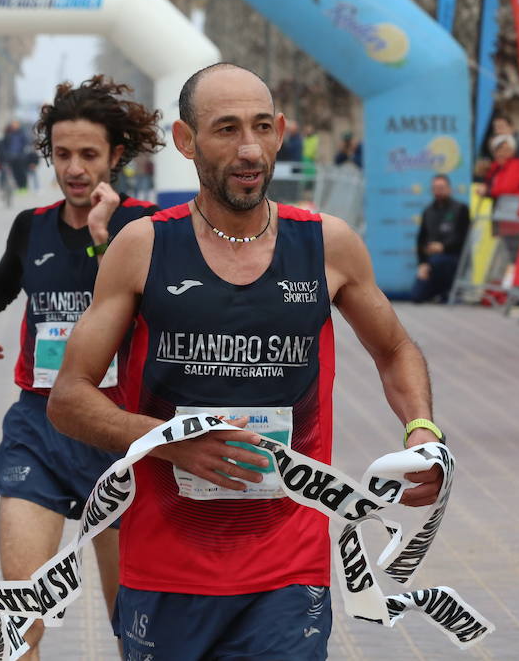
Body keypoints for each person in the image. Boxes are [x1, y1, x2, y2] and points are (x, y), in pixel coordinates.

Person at [49, 63, 444, 661]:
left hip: (288, 571)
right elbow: (69, 397)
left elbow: (394, 351)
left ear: (282, 132)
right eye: (227, 129)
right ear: (187, 142)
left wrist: (422, 431)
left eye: (262, 127)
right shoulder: (144, 248)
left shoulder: (325, 244)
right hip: (165, 569)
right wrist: (171, 441)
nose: (250, 149)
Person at [0, 76, 163, 658]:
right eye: (62, 154)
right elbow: (1, 280)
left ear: (116, 156)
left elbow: (150, 306)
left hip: (119, 434)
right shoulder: (32, 224)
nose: (74, 168)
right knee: (17, 620)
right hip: (40, 428)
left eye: (88, 155)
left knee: (137, 631)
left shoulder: (146, 227)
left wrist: (101, 241)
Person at [413, 173, 471, 303]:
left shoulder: (461, 209)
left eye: (441, 187)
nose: (438, 191)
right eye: (435, 188)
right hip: (431, 263)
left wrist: (443, 247)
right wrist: (422, 263)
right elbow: (420, 240)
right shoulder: (428, 211)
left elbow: (464, 238)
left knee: (439, 261)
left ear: (449, 188)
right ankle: (437, 291)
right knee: (416, 296)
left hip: (453, 258)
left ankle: (447, 292)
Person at [485, 134, 519, 263]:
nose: (502, 153)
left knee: (517, 253)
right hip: (503, 217)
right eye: (499, 149)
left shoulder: (516, 165)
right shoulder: (495, 168)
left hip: (517, 217)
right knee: (509, 252)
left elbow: (507, 187)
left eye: (506, 149)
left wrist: (488, 191)